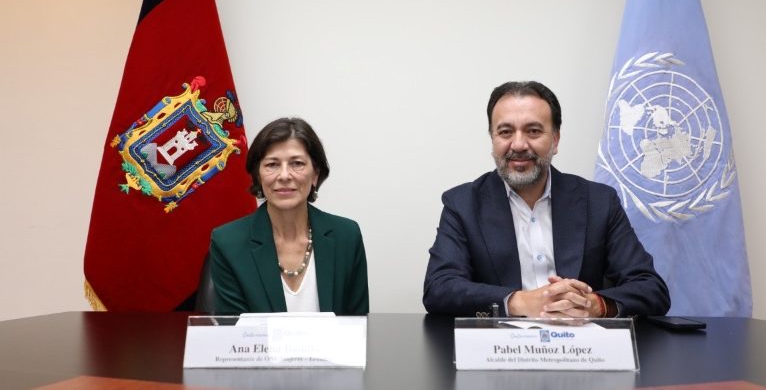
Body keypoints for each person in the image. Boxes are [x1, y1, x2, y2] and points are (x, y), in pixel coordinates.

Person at [423, 81, 670, 318]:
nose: (518, 144)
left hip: (581, 342)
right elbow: (438, 288)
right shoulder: (462, 204)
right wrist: (519, 301)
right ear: (493, 139)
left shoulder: (599, 202)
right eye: (505, 132)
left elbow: (651, 288)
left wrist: (595, 305)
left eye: (533, 131)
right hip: (500, 344)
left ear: (555, 140)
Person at [210, 117, 369, 315]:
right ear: (258, 175)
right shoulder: (228, 243)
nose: (284, 175)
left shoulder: (347, 236)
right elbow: (235, 330)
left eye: (297, 163)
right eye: (272, 164)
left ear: (315, 174)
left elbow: (357, 324)